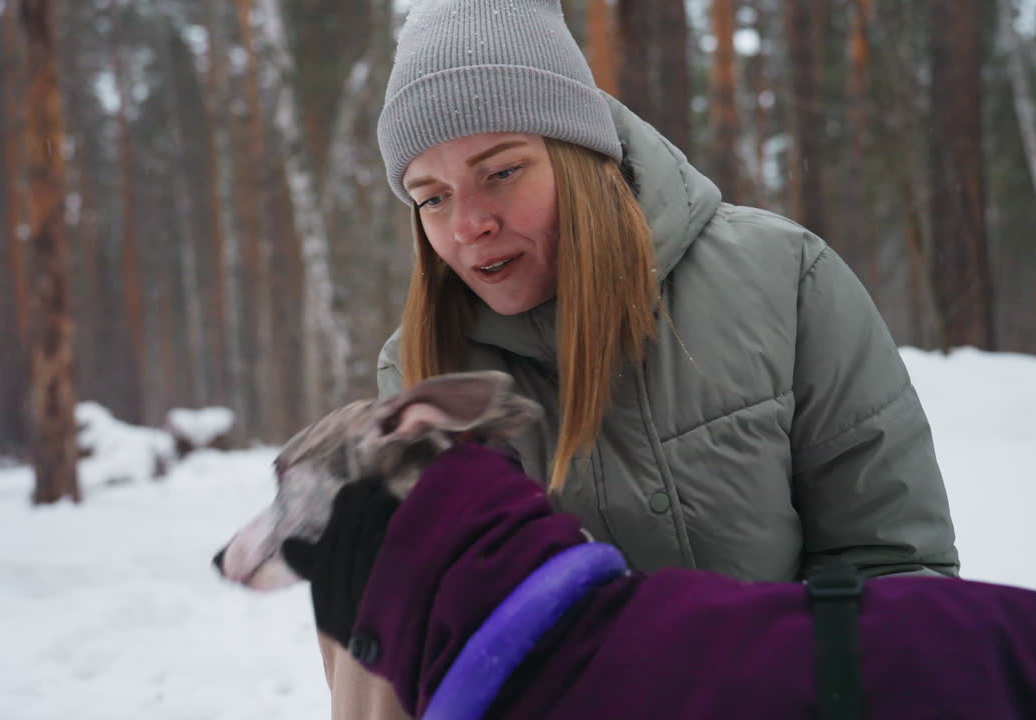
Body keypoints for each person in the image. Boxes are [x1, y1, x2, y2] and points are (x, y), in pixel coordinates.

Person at [304, 0, 960, 716]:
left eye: (500, 173)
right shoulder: (424, 376)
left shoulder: (783, 281)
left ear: (579, 153)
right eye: (432, 199)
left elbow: (896, 571)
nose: (468, 225)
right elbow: (437, 663)